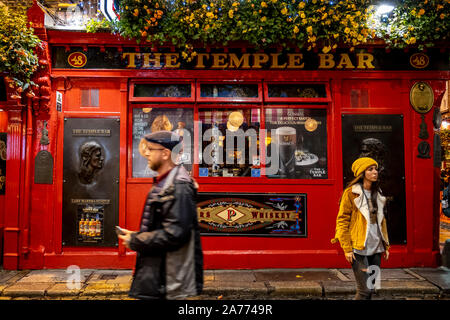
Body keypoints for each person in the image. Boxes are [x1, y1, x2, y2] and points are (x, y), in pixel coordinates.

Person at [118, 130, 203, 300]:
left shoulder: (178, 186)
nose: (146, 153)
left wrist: (136, 240)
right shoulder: (166, 182)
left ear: (165, 154)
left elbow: (174, 234)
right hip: (159, 276)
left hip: (168, 279)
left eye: (150, 149)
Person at [331, 157, 390, 300]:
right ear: (362, 173)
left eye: (375, 169)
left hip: (376, 247)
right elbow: (342, 220)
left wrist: (386, 245)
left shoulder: (378, 192)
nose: (375, 172)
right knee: (364, 291)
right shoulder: (351, 193)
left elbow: (382, 222)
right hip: (358, 248)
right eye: (370, 169)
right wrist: (347, 248)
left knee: (371, 288)